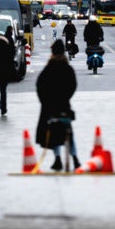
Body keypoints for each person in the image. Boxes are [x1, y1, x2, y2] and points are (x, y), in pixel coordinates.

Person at [34, 40, 80, 172]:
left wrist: (45, 101)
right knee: (69, 133)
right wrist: (65, 97)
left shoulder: (48, 69)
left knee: (54, 133)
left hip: (50, 108)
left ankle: (58, 159)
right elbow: (73, 85)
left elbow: (40, 86)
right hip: (64, 106)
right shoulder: (68, 68)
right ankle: (75, 159)